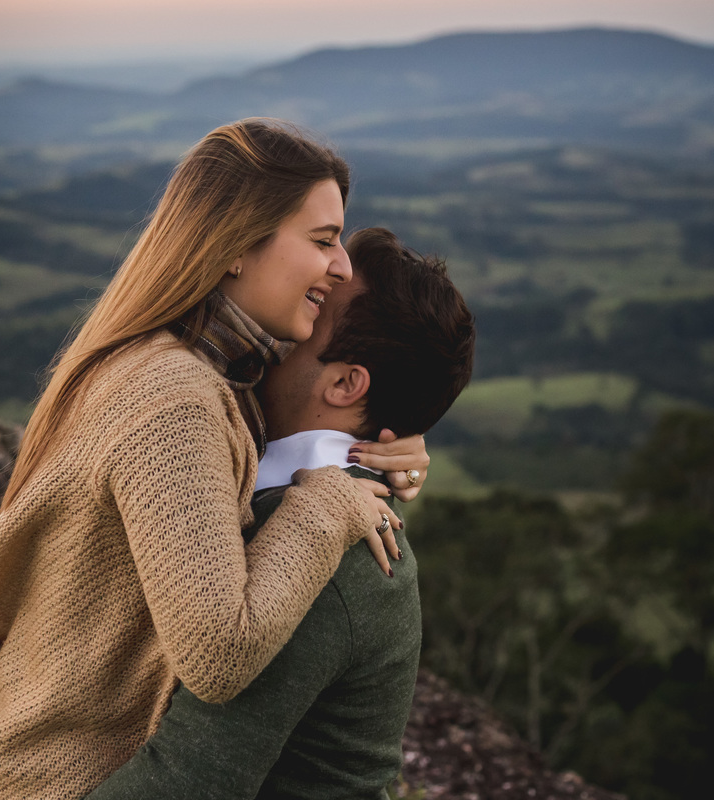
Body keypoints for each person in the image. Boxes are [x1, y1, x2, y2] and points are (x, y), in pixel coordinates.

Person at [0, 120, 430, 799]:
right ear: (237, 244)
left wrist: (380, 452)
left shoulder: (204, 375)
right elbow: (219, 653)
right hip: (45, 782)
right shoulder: (175, 397)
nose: (342, 265)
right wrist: (325, 505)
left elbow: (275, 436)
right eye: (323, 240)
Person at [85, 227, 476, 799]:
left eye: (315, 307)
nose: (288, 313)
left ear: (345, 383)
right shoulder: (257, 464)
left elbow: (182, 785)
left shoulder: (325, 556)